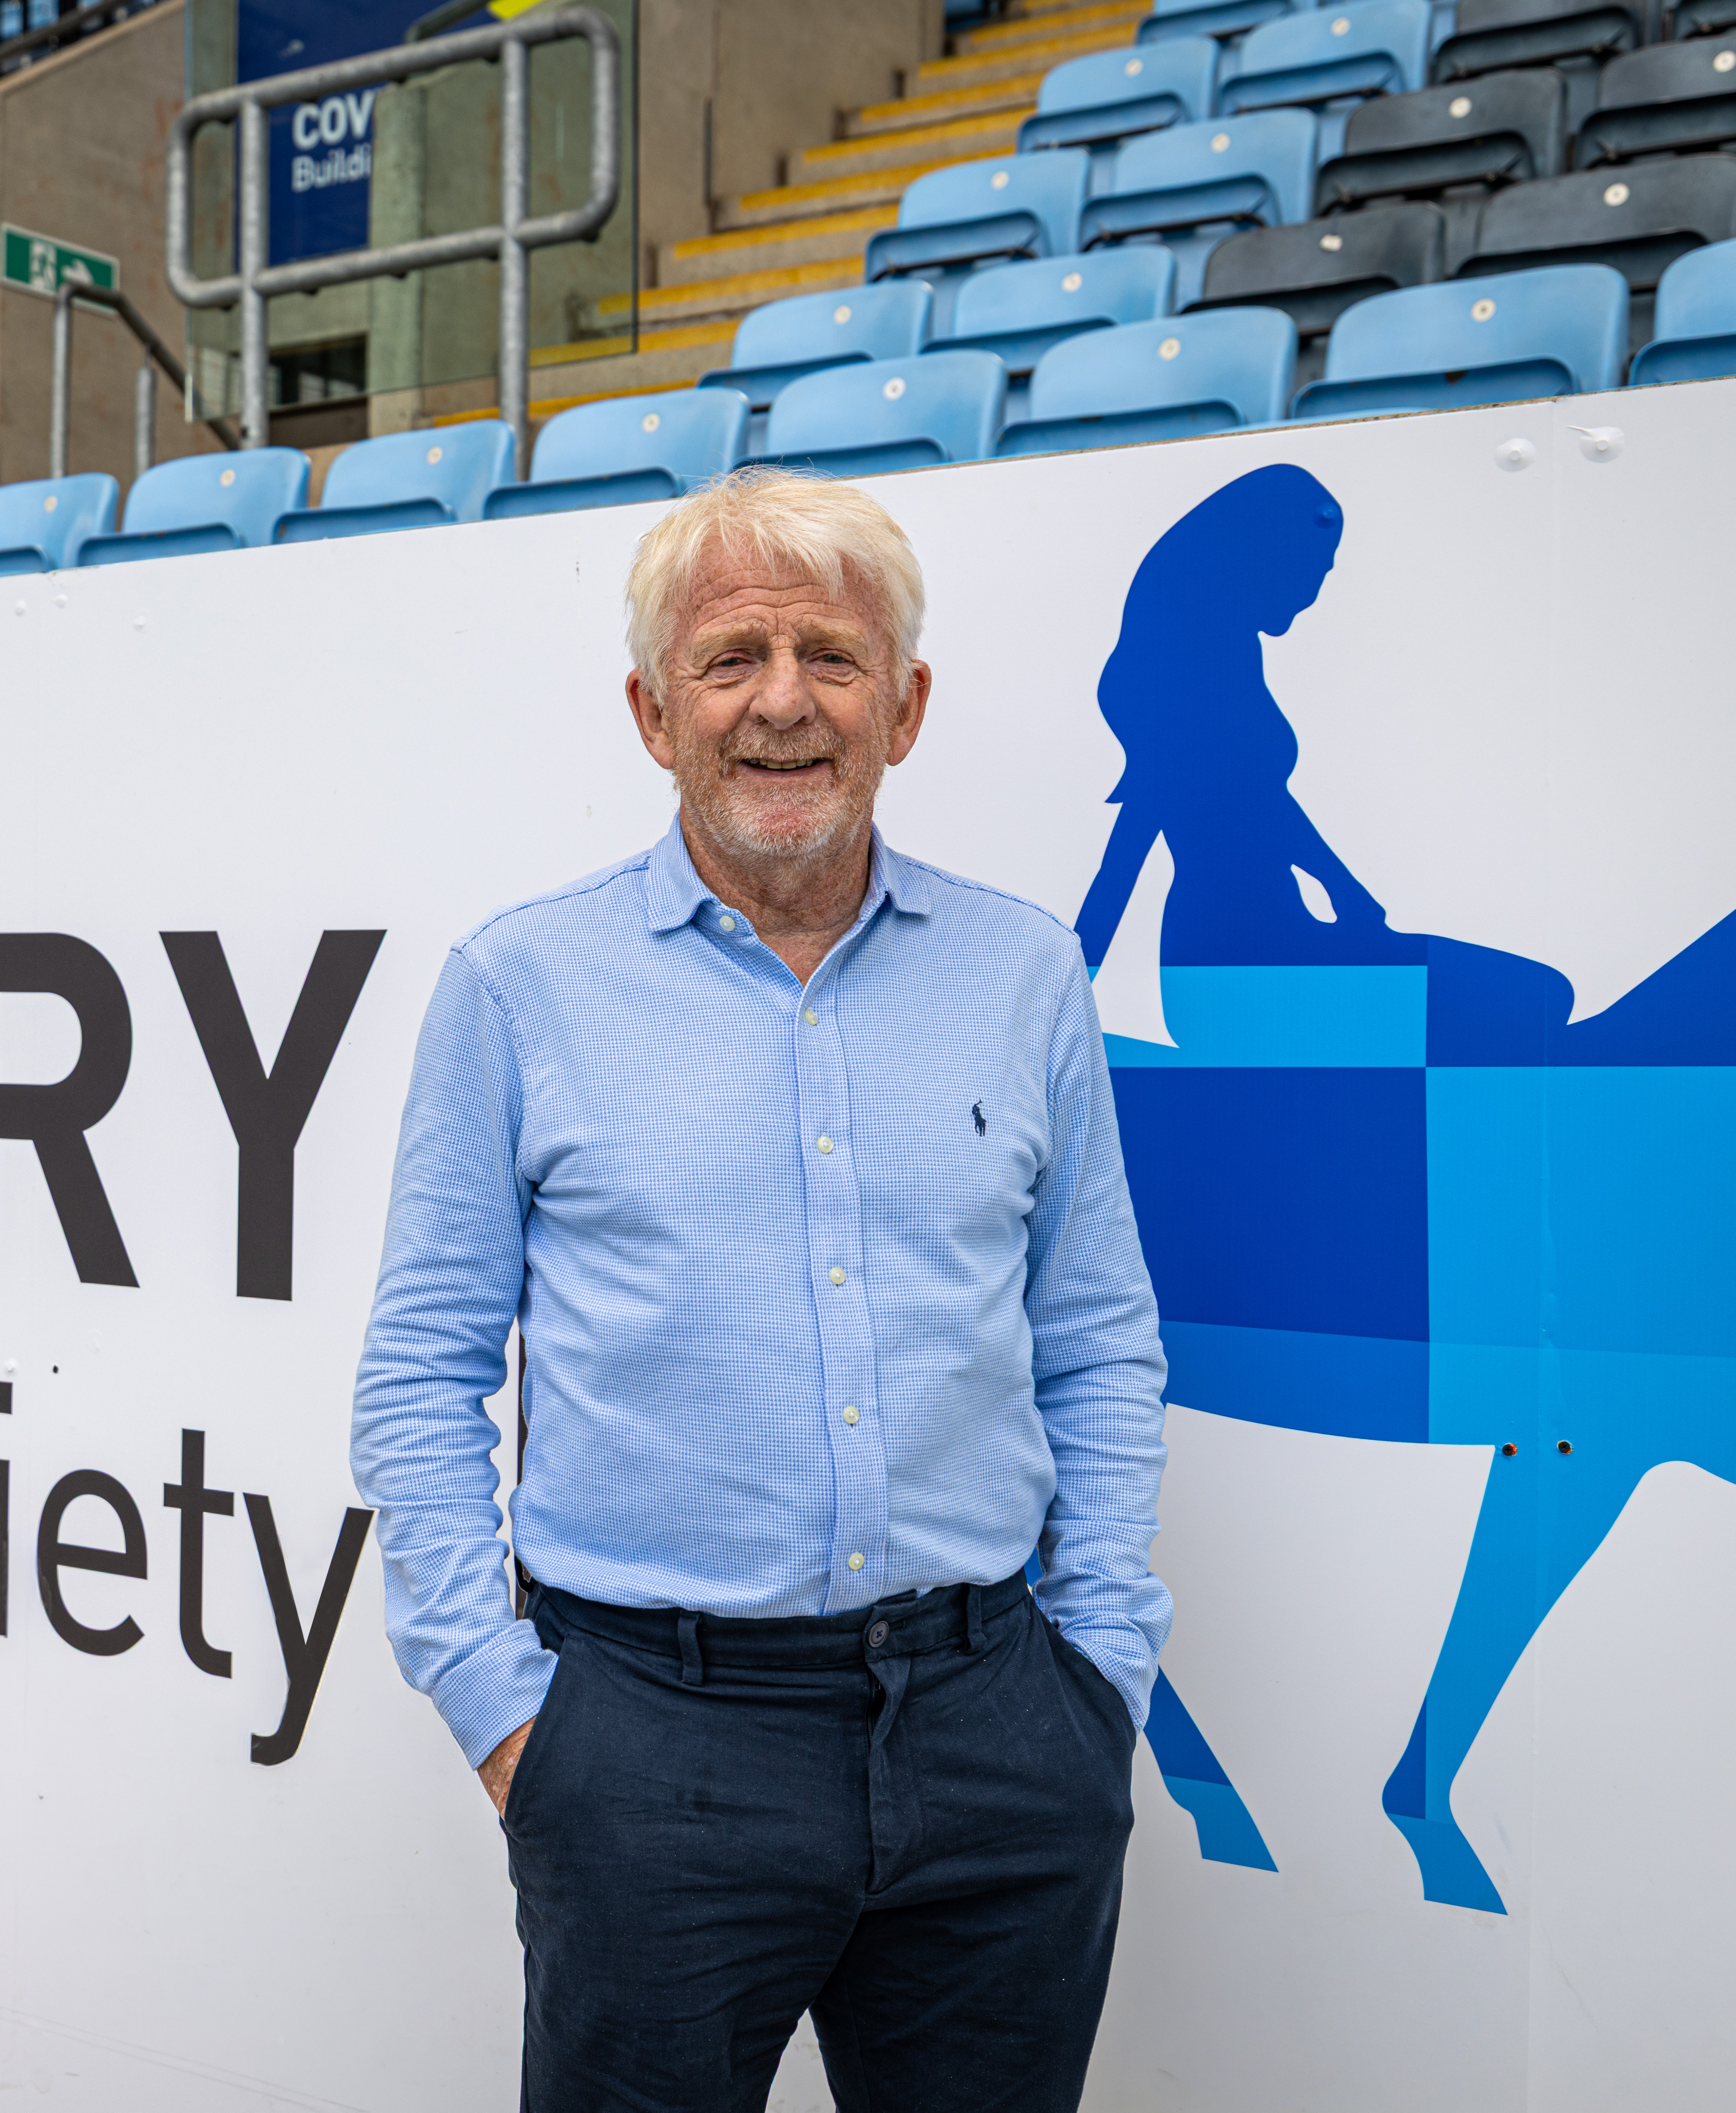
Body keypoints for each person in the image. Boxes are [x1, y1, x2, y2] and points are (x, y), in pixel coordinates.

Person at [351, 468, 1171, 2113]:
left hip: (998, 1722)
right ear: (655, 715)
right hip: (651, 1746)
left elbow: (1093, 1337)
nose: (782, 702)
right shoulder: (518, 988)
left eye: (829, 656)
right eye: (729, 660)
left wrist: (1099, 1667)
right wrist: (514, 1725)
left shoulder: (1024, 975)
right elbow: (419, 1375)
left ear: (906, 705)